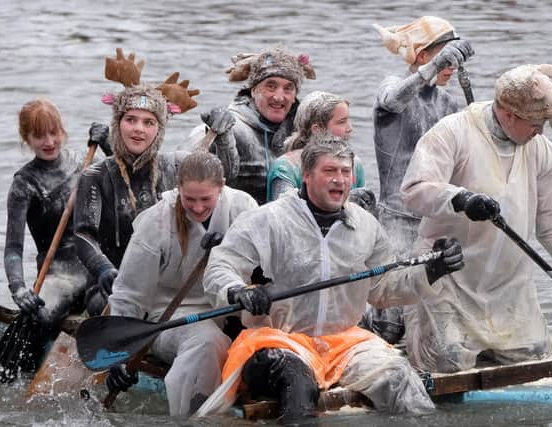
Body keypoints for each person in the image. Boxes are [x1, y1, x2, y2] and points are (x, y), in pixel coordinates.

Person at [200, 136, 464, 422]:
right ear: (307, 175)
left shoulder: (365, 226)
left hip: (344, 342)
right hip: (278, 340)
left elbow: (385, 290)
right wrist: (237, 290)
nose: (339, 180)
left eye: (345, 171)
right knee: (298, 385)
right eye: (329, 171)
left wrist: (432, 270)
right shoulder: (266, 220)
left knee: (402, 380)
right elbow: (220, 266)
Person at [399, 63, 552, 373]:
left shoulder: (541, 150)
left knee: (534, 354)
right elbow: (414, 190)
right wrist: (461, 199)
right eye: (535, 122)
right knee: (448, 360)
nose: (540, 131)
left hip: (509, 285)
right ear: (507, 114)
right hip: (450, 278)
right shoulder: (452, 132)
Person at [105, 151, 258, 416]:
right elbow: (129, 292)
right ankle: (193, 416)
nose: (198, 208)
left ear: (221, 187)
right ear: (178, 188)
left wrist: (232, 245)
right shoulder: (156, 221)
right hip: (172, 316)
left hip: (232, 306)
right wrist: (117, 354)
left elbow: (267, 263)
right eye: (189, 200)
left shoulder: (243, 207)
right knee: (208, 341)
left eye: (206, 199)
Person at [75, 48, 199, 316]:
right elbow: (84, 235)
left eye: (148, 122)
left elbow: (218, 182)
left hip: (167, 287)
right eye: (130, 120)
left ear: (159, 129)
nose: (138, 129)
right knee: (101, 305)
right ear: (118, 124)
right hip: (113, 285)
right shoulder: (95, 176)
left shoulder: (177, 166)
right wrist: (103, 268)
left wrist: (224, 139)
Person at [371, 16, 474, 256]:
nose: (452, 67)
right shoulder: (392, 84)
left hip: (437, 220)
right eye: (445, 59)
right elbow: (393, 101)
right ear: (423, 56)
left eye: (453, 61)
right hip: (397, 220)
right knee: (395, 288)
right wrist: (435, 66)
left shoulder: (448, 103)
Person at [5, 98, 111, 328]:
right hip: (60, 276)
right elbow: (13, 247)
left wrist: (109, 145)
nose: (49, 142)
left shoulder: (85, 162)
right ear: (26, 138)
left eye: (54, 132)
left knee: (115, 303)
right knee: (37, 318)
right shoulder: (24, 184)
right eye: (39, 136)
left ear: (62, 130)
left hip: (98, 264)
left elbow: (123, 182)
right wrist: (18, 288)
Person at [186, 46, 316, 205]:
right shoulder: (229, 127)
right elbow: (189, 168)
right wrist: (218, 139)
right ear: (253, 90)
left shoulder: (306, 129)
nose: (279, 97)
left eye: (288, 88)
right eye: (271, 86)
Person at [266, 90, 367, 202]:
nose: (349, 128)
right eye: (341, 122)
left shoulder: (355, 164)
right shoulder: (287, 167)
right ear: (317, 130)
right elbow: (281, 213)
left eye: (348, 120)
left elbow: (359, 212)